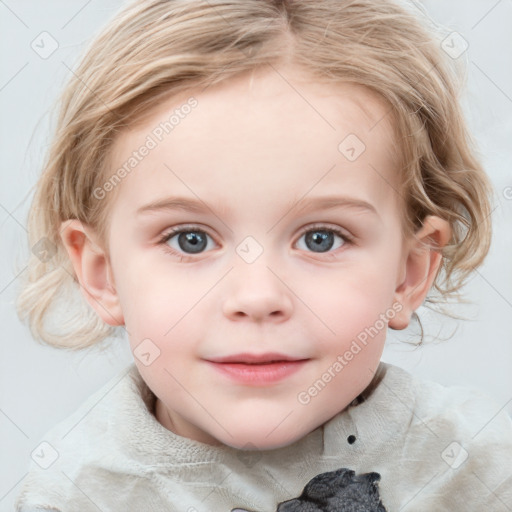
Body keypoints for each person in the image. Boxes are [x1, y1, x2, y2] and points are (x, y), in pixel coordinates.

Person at [14, 0, 512, 510]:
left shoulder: (481, 470)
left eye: (322, 238)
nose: (257, 297)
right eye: (191, 239)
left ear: (408, 275)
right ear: (103, 275)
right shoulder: (76, 495)